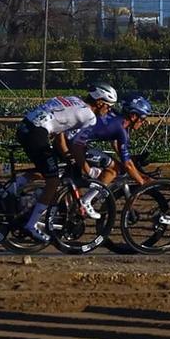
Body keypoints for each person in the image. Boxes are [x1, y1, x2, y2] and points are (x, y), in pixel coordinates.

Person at [14, 82, 118, 241]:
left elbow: (60, 135)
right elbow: (77, 147)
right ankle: (31, 224)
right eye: (108, 106)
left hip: (26, 127)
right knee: (53, 180)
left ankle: (13, 189)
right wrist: (88, 170)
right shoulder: (90, 117)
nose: (109, 110)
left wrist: (68, 156)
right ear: (99, 102)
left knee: (51, 169)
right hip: (37, 132)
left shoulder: (73, 100)